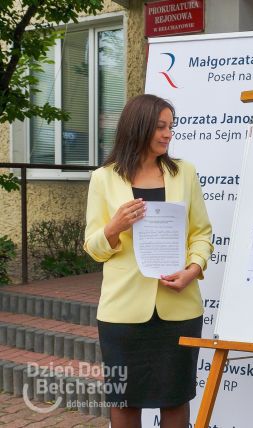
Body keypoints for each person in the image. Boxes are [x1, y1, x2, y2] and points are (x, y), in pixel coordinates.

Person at [84, 94, 213, 427]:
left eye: (171, 126)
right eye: (160, 127)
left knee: (175, 399)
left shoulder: (184, 173)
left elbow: (201, 233)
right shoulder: (104, 178)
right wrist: (114, 227)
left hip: (179, 309)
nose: (168, 134)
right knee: (124, 402)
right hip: (123, 312)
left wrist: (193, 270)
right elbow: (94, 247)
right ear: (138, 127)